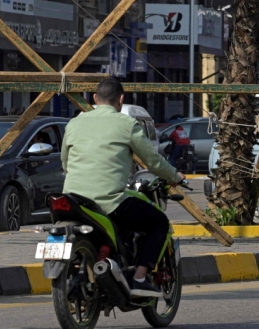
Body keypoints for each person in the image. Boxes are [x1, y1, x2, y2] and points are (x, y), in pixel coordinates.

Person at [60, 77, 184, 298]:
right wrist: (175, 176)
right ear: (120, 100)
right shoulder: (126, 124)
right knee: (159, 222)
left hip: (73, 200)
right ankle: (138, 278)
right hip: (109, 202)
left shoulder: (74, 123)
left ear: (95, 99)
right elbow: (153, 161)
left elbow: (65, 162)